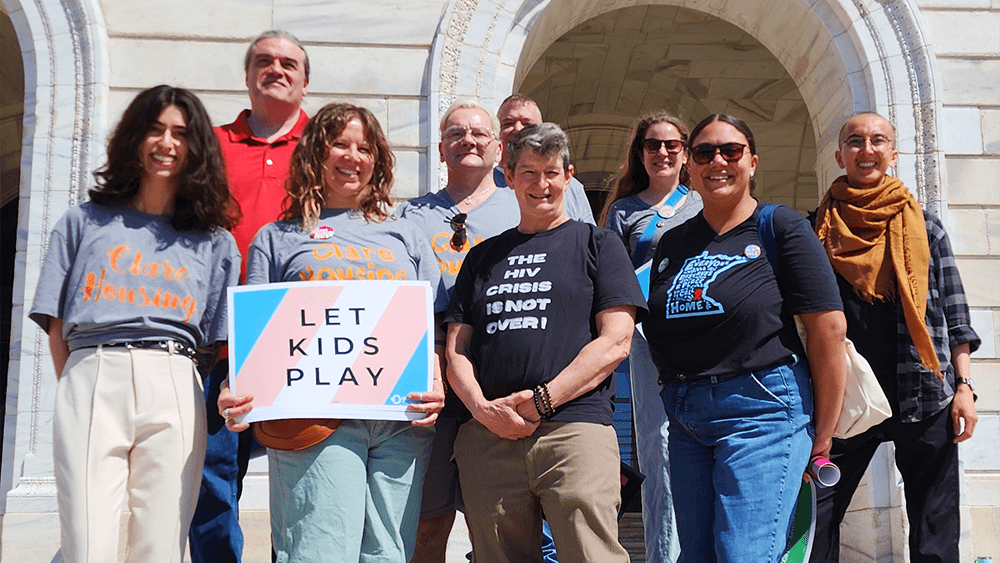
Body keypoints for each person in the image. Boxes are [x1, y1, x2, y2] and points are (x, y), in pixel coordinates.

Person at [218, 103, 446, 563]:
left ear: (377, 160)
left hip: (402, 420)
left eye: (365, 147)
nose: (353, 156)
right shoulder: (276, 237)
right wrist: (233, 388)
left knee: (389, 554)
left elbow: (432, 325)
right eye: (340, 143)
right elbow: (254, 334)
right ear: (315, 154)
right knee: (319, 551)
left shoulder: (406, 235)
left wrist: (436, 379)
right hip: (315, 420)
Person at [29, 85, 240, 562]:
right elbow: (56, 324)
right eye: (155, 129)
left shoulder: (216, 243)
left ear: (197, 148)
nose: (167, 143)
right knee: (87, 543)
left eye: (181, 134)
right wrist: (80, 385)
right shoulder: (82, 222)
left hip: (175, 377)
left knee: (160, 545)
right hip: (93, 372)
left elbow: (218, 343)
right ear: (133, 137)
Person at [643, 113, 847, 562]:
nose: (718, 160)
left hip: (762, 410)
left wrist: (823, 435)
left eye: (730, 151)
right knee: (696, 556)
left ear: (752, 162)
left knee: (744, 554)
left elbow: (828, 331)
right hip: (685, 415)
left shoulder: (782, 227)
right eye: (703, 152)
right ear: (689, 168)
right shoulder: (673, 243)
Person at [444, 122, 646, 563]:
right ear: (509, 177)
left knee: (592, 556)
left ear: (569, 176)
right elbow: (456, 349)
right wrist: (482, 410)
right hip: (490, 437)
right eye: (529, 172)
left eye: (552, 172)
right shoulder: (482, 256)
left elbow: (616, 342)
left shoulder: (599, 244)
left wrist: (542, 401)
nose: (541, 184)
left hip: (575, 429)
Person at [809, 113, 980, 563]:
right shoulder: (815, 231)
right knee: (817, 514)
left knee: (936, 523)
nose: (867, 150)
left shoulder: (927, 227)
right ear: (839, 155)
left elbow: (955, 315)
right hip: (846, 397)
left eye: (877, 140)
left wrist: (964, 388)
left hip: (922, 391)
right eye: (855, 141)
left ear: (893, 152)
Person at [191, 29, 310, 563]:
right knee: (213, 482)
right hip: (221, 342)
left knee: (308, 478)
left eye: (289, 63)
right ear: (246, 74)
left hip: (305, 344)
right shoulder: (210, 145)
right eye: (264, 60)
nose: (276, 69)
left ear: (305, 82)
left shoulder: (325, 146)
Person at [599, 111, 702, 563]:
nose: (662, 153)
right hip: (645, 342)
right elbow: (606, 276)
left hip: (705, 335)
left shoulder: (704, 201)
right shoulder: (624, 211)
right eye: (652, 145)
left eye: (672, 145)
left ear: (685, 151)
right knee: (659, 449)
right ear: (640, 154)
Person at [495, 94, 595, 224]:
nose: (518, 129)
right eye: (508, 123)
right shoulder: (482, 186)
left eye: (527, 124)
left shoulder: (571, 187)